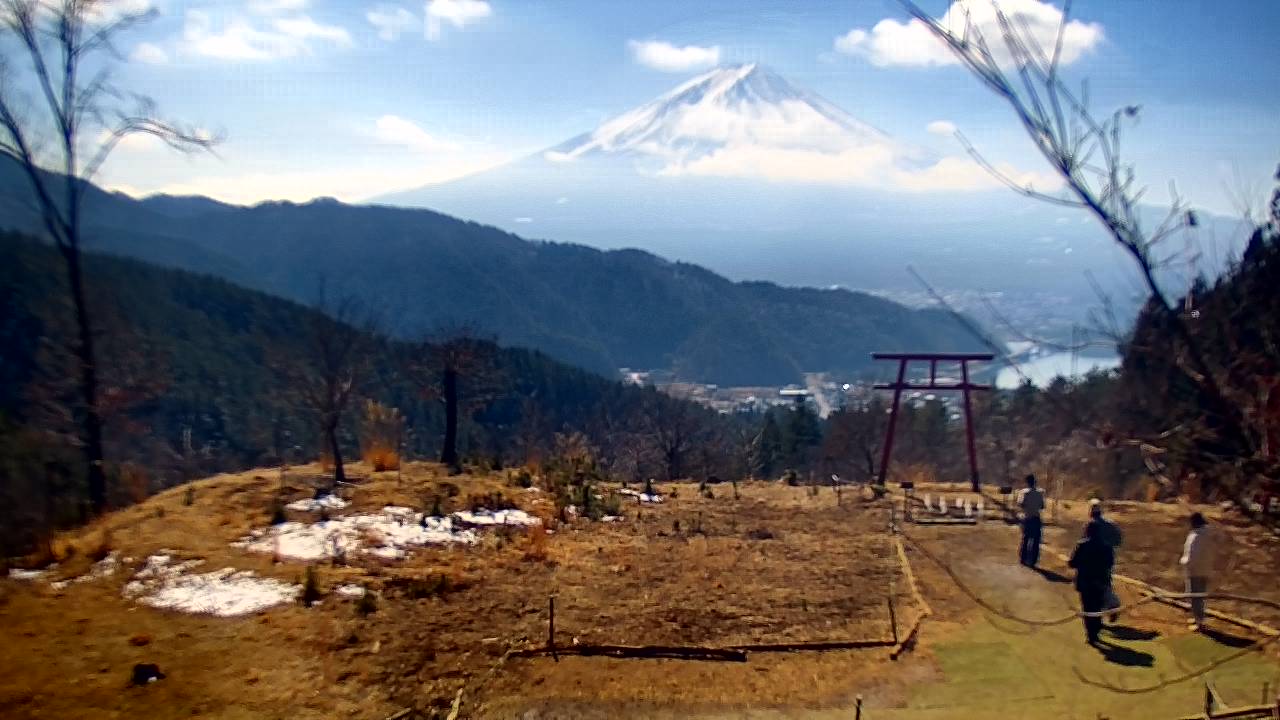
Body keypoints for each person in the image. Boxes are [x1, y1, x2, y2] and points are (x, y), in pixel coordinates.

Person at [1068, 520, 1115, 645]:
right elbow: (1110, 564)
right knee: (1097, 607)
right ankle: (1097, 629)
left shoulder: (1082, 545)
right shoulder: (1107, 546)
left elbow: (1072, 563)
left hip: (1085, 582)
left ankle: (1091, 635)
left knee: (1087, 608)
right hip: (1100, 582)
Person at [1087, 499, 1123, 621]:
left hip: (1093, 561)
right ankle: (1109, 606)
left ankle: (1110, 605)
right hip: (1107, 559)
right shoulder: (1110, 524)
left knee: (1095, 587)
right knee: (1105, 584)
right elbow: (1118, 541)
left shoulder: (1091, 525)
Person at [1180, 512, 1214, 631]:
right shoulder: (1206, 534)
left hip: (1196, 571)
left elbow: (1192, 556)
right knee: (1198, 596)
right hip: (1204, 569)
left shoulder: (1197, 536)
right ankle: (1197, 618)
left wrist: (1184, 562)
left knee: (1196, 597)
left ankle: (1200, 622)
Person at [1017, 474, 1045, 567]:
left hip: (1027, 517)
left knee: (1026, 538)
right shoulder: (1040, 492)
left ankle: (1023, 558)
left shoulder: (1024, 492)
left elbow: (1020, 504)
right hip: (1036, 518)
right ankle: (1033, 560)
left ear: (1027, 482)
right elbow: (1042, 506)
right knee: (1036, 540)